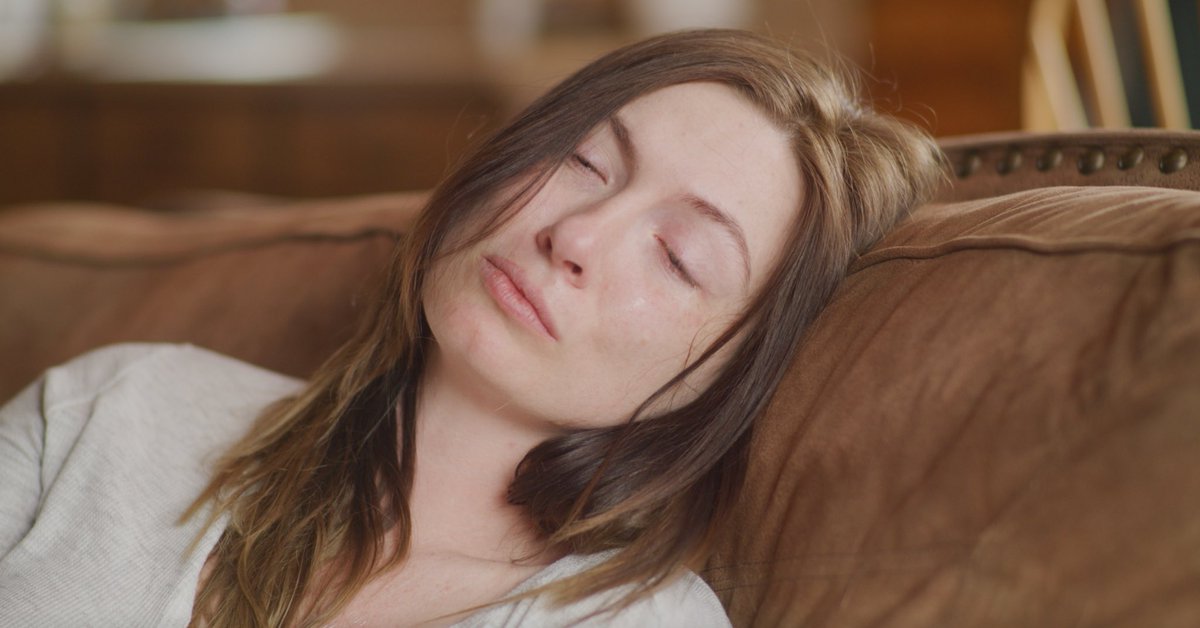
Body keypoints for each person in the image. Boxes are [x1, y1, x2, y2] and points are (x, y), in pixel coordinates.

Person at [0, 29, 942, 627]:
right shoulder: (116, 408)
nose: (575, 235)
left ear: (732, 371)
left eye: (680, 257)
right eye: (583, 161)